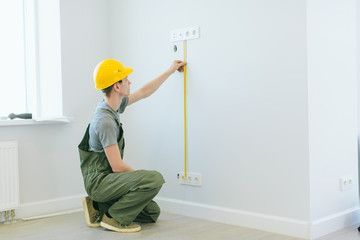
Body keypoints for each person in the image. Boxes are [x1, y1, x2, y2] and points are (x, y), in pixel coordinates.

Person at [78, 59, 186, 233]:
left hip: (109, 179)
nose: (130, 82)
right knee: (154, 179)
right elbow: (117, 166)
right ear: (117, 87)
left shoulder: (111, 105)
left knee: (152, 213)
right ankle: (113, 219)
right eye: (126, 79)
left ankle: (99, 206)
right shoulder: (105, 121)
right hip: (100, 182)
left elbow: (144, 92)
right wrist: (142, 181)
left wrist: (170, 70)